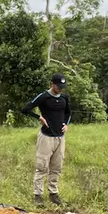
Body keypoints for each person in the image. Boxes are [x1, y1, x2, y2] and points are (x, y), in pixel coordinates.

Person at [21, 73, 71, 206]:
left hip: (60, 137)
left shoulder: (64, 98)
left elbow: (68, 113)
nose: (60, 89)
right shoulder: (44, 97)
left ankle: (53, 193)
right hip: (46, 137)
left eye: (62, 87)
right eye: (58, 86)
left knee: (57, 167)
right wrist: (39, 117)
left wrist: (66, 124)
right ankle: (38, 195)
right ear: (52, 84)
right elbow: (25, 109)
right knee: (42, 166)